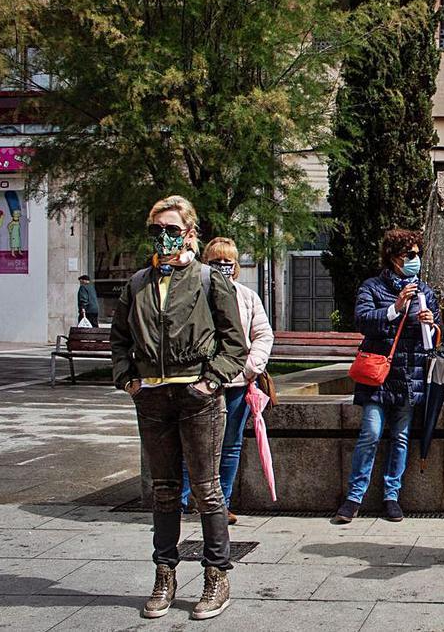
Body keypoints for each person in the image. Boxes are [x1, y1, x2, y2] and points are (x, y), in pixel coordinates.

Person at [111, 195, 248, 620]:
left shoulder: (209, 279)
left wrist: (211, 381)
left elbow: (235, 342)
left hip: (197, 396)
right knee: (165, 490)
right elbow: (118, 339)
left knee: (207, 490)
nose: (165, 238)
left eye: (173, 229)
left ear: (190, 232)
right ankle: (165, 574)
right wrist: (128, 379)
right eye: (157, 231)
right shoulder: (137, 283)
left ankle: (216, 575)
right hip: (152, 396)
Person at [333, 228, 440, 524]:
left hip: (409, 374)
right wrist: (395, 308)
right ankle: (354, 497)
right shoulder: (372, 287)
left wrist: (430, 325)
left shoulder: (425, 291)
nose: (415, 259)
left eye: (418, 254)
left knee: (401, 437)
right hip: (378, 376)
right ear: (394, 257)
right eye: (410, 255)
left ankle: (392, 495)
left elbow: (435, 339)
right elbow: (363, 321)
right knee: (371, 432)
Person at [180, 238, 275, 524]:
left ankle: (223, 503)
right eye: (215, 261)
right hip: (199, 381)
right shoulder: (192, 294)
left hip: (235, 382)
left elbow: (262, 335)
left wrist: (249, 368)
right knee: (191, 445)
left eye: (228, 262)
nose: (222, 266)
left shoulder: (246, 296)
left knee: (231, 444)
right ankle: (182, 503)